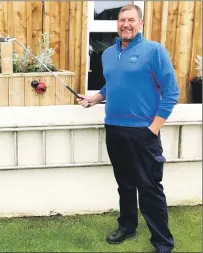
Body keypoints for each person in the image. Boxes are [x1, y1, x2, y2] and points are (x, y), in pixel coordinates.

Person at [77, 4, 179, 253]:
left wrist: (153, 128)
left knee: (149, 187)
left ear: (140, 24)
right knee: (124, 183)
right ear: (117, 24)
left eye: (131, 20)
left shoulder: (154, 51)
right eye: (122, 20)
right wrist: (94, 99)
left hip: (143, 133)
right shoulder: (109, 54)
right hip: (114, 128)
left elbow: (171, 92)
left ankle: (162, 243)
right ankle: (127, 225)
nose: (126, 24)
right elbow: (110, 85)